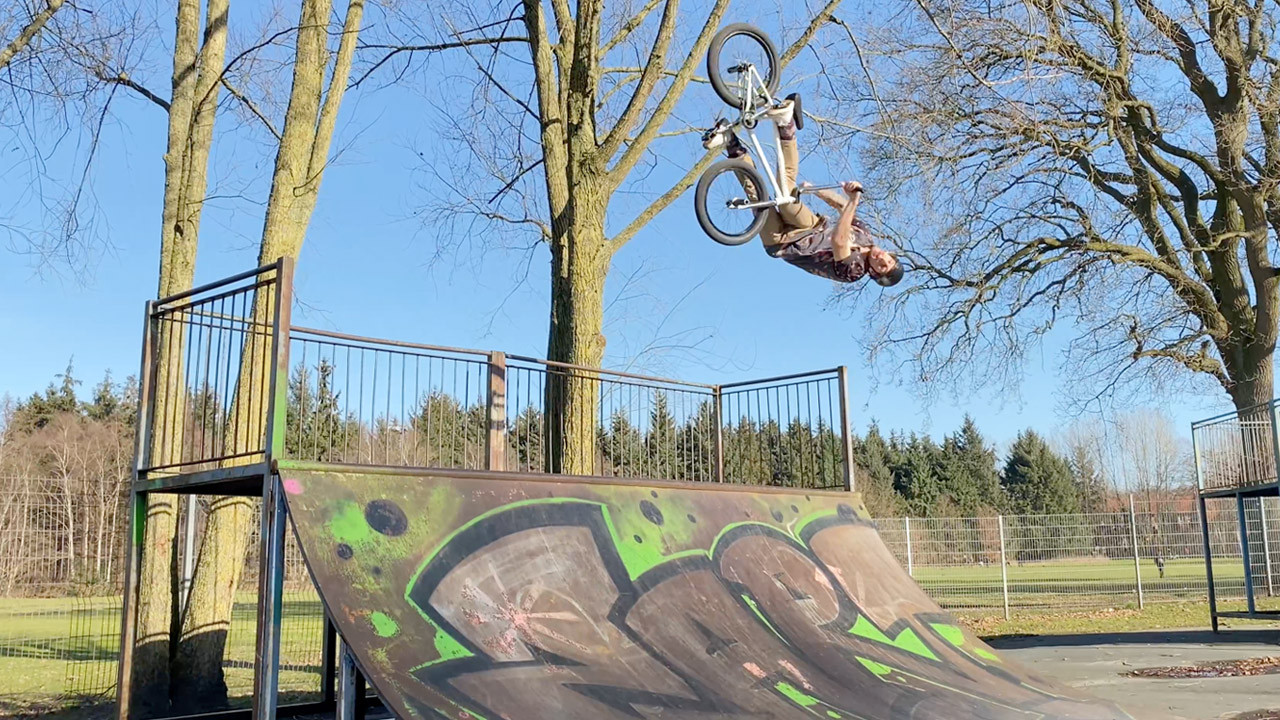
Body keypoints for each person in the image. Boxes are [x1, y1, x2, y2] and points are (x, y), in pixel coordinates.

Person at [702, 94, 903, 286]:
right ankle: (786, 124)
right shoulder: (865, 235)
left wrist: (853, 202)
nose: (882, 258)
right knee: (786, 192)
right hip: (810, 228)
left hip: (781, 244)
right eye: (888, 259)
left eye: (882, 266)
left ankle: (729, 140)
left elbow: (839, 240)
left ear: (874, 272)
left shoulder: (854, 271)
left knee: (756, 195)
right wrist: (818, 192)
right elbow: (843, 208)